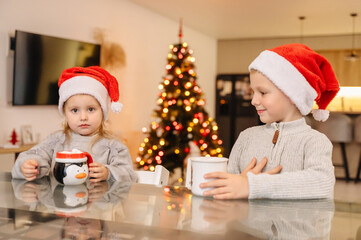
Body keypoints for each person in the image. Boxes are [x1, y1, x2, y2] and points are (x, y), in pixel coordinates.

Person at [200, 43, 340, 199]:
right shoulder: (246, 137)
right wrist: (240, 182)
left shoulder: (315, 142)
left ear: (293, 96)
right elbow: (231, 187)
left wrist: (252, 185)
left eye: (263, 92)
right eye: (253, 91)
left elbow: (321, 183)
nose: (254, 100)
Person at [12, 66, 137, 183]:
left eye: (91, 109)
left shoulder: (113, 146)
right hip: (61, 204)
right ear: (65, 113)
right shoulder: (56, 141)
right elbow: (33, 156)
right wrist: (28, 166)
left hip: (99, 205)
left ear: (103, 111)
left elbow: (130, 176)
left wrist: (108, 173)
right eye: (75, 110)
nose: (83, 117)